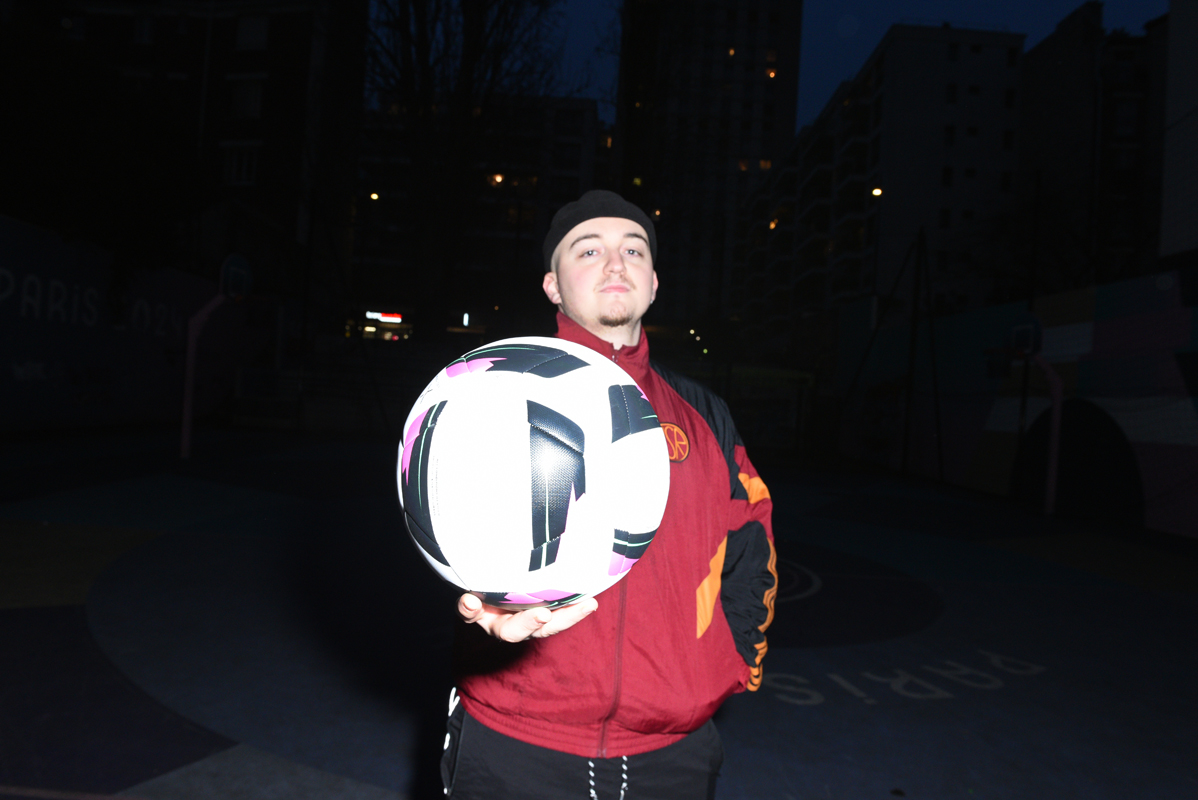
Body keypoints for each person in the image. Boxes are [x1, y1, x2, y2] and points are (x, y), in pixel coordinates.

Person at [442, 190, 776, 799]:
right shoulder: (491, 394)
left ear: (652, 285)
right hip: (516, 743)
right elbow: (438, 527)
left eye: (633, 250)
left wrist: (728, 664)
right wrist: (479, 611)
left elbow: (751, 539)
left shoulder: (704, 415)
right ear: (552, 286)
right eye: (588, 249)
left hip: (672, 753)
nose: (615, 263)